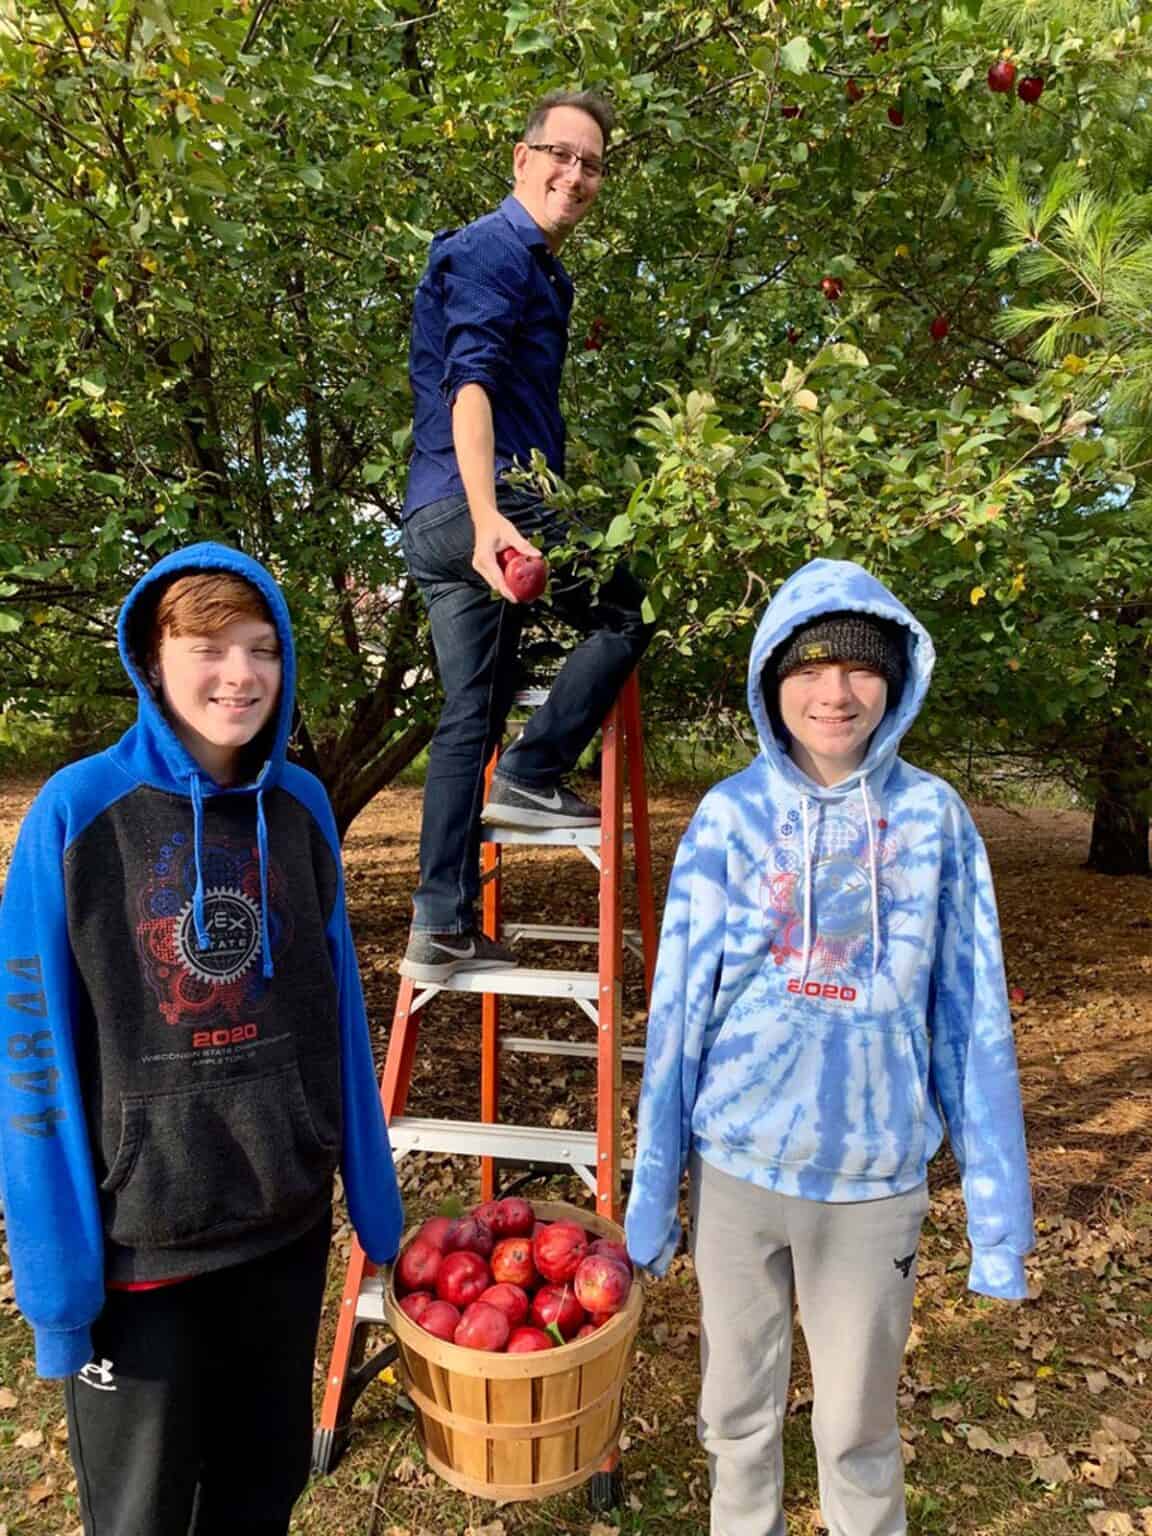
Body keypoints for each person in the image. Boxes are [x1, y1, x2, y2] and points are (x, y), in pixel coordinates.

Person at [0, 542, 403, 1536]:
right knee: (140, 1517)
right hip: (144, 1252)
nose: (240, 674)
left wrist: (378, 1212)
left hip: (283, 1226)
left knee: (260, 1496)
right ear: (152, 659)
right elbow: (31, 1055)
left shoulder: (304, 809)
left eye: (262, 649)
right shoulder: (77, 813)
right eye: (209, 648)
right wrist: (59, 1292)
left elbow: (339, 1018)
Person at [624, 558, 1033, 1536]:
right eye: (809, 667)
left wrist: (998, 1219)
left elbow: (973, 1020)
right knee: (734, 1417)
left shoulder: (937, 821)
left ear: (895, 680)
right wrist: (652, 1193)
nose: (834, 691)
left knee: (855, 1427)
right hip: (736, 1175)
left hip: (873, 1187)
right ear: (773, 679)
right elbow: (677, 1013)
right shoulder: (727, 819)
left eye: (859, 668)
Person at [399, 87, 653, 984]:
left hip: (442, 512)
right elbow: (470, 388)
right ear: (521, 158)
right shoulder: (493, 250)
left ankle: (441, 923)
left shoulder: (546, 274)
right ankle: (536, 770)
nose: (575, 175)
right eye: (561, 154)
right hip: (476, 499)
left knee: (470, 710)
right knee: (631, 599)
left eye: (592, 164)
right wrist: (489, 519)